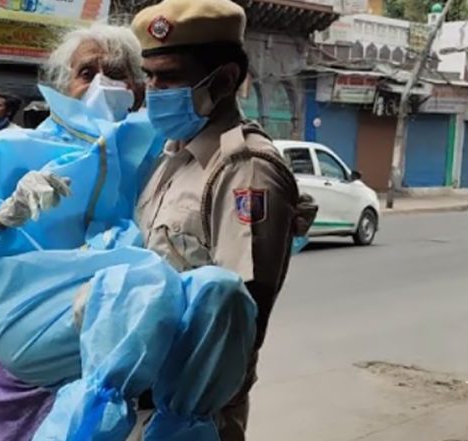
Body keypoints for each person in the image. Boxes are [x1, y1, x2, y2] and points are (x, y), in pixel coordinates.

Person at [0, 24, 258, 441]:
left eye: (118, 73)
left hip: (123, 320)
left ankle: (179, 429)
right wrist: (0, 217)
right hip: (33, 315)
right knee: (140, 283)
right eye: (88, 72)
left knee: (218, 292)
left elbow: (214, 225)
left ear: (139, 88)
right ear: (63, 83)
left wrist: (277, 207)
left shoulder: (161, 152)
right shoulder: (8, 148)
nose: (103, 83)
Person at [130, 0, 318, 439]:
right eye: (150, 76)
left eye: (170, 76)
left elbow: (237, 314)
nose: (154, 90)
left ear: (226, 79)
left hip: (192, 411)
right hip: (142, 400)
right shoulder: (174, 156)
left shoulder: (245, 169)